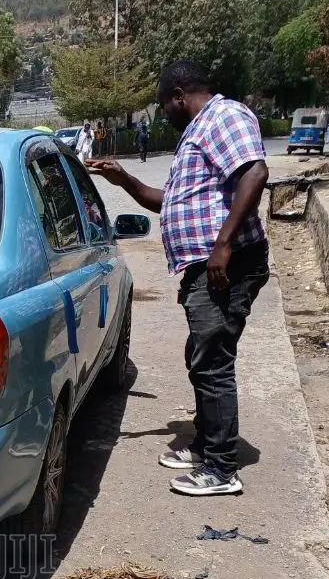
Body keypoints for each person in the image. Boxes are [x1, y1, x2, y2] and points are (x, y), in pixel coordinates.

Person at [90, 59, 270, 497]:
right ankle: (207, 446)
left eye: (162, 105)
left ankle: (221, 469)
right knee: (201, 357)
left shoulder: (224, 115)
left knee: (212, 363)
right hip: (208, 266)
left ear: (178, 97)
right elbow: (169, 201)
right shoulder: (197, 130)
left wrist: (223, 244)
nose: (162, 113)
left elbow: (255, 173)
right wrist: (124, 180)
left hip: (227, 264)